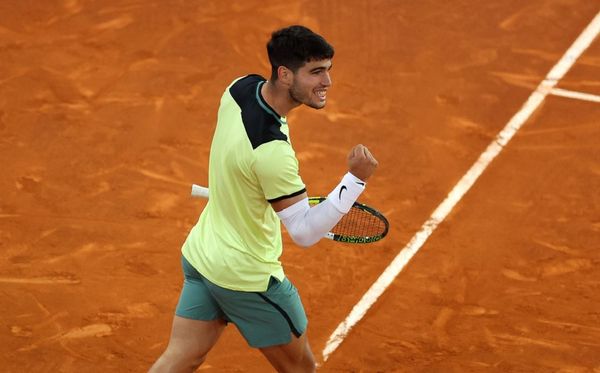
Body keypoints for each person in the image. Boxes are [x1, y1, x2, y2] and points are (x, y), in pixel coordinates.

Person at [149, 25, 378, 373]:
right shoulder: (273, 153)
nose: (327, 82)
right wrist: (354, 180)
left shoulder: (239, 89)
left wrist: (245, 196)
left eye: (328, 70)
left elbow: (240, 170)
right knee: (301, 369)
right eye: (316, 72)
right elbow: (303, 232)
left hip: (203, 256)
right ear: (285, 74)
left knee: (181, 358)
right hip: (247, 278)